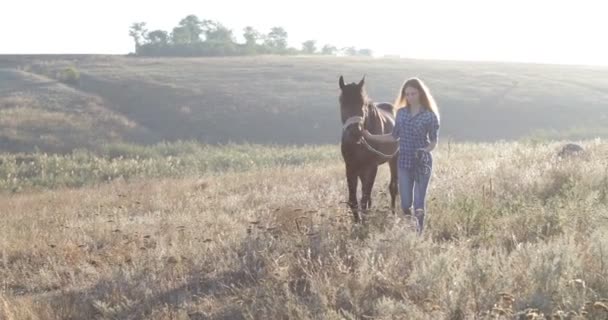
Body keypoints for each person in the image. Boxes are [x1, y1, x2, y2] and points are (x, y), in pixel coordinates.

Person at [362, 77, 440, 233]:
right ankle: (411, 225)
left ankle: (418, 233)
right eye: (407, 94)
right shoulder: (401, 113)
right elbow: (394, 136)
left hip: (421, 163)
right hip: (403, 162)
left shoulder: (430, 115)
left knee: (418, 202)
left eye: (413, 93)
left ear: (420, 94)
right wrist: (370, 136)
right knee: (405, 204)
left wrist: (425, 150)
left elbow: (433, 141)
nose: (410, 97)